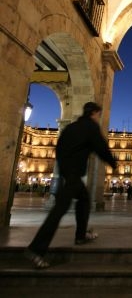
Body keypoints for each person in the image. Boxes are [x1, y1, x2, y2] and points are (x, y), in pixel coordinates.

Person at [26, 102, 117, 269]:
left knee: (83, 199)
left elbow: (58, 148)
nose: (98, 118)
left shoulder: (71, 128)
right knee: (58, 211)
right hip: (74, 173)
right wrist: (112, 162)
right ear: (94, 113)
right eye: (98, 115)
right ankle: (36, 249)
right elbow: (101, 147)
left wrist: (65, 168)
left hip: (68, 172)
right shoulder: (90, 127)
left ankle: (81, 235)